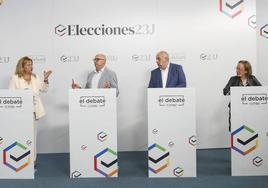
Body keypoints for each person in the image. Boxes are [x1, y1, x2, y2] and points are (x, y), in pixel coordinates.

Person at [9, 56, 52, 171]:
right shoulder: (15, 78)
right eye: (28, 65)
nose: (31, 67)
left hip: (34, 112)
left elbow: (44, 89)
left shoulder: (35, 77)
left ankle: (32, 163)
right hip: (20, 114)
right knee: (21, 137)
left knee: (32, 138)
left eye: (32, 64)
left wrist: (46, 79)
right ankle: (20, 161)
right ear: (22, 67)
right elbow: (11, 96)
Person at [223, 60, 261, 131]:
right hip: (235, 110)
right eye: (236, 68)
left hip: (250, 110)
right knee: (236, 131)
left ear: (246, 71)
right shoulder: (233, 79)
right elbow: (225, 91)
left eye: (239, 69)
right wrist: (232, 91)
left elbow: (261, 91)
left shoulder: (252, 79)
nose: (237, 70)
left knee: (250, 130)